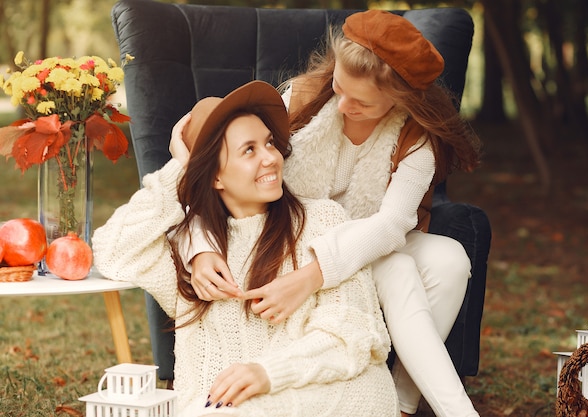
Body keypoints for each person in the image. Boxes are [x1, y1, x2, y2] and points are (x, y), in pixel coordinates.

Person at [180, 10, 482, 417]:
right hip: (292, 234)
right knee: (400, 272)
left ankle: (402, 402)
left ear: (400, 98)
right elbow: (197, 142)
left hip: (362, 242)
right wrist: (198, 243)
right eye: (340, 87)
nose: (343, 105)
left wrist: (312, 277)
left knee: (450, 260)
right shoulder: (302, 97)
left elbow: (391, 225)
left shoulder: (416, 137)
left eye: (361, 102)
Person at [92, 80, 399, 416]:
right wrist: (181, 169)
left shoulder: (323, 219)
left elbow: (352, 333)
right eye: (249, 150)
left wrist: (268, 373)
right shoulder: (192, 254)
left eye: (269, 143)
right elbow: (112, 250)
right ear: (215, 177)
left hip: (336, 394)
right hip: (229, 407)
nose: (270, 158)